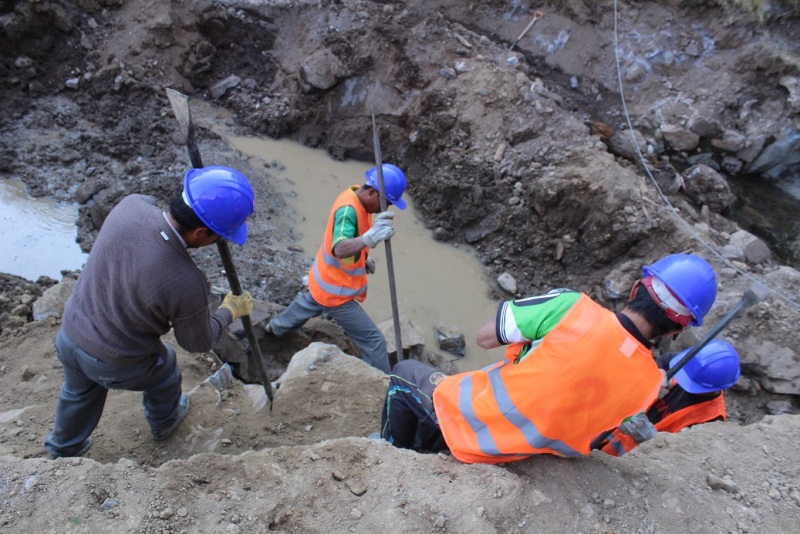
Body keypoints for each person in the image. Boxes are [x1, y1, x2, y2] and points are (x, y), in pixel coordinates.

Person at [379, 253, 718, 464]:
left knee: (405, 372)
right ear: (675, 331)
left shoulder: (571, 307)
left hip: (476, 424)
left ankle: (391, 455)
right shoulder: (649, 385)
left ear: (635, 289)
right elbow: (604, 438)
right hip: (525, 452)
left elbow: (485, 338)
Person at [44, 166, 257, 459]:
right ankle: (166, 423)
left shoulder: (130, 206)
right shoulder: (187, 280)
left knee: (78, 390)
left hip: (71, 333)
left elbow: (149, 210)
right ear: (200, 232)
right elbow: (197, 343)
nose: (220, 242)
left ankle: (62, 450)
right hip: (113, 361)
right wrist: (228, 311)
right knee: (166, 368)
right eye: (219, 236)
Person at [265, 164, 408, 374]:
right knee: (374, 341)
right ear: (372, 192)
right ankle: (383, 386)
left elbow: (347, 241)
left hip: (324, 278)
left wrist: (362, 259)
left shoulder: (355, 195)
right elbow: (340, 248)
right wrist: (369, 238)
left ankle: (274, 328)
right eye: (385, 202)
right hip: (337, 291)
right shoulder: (348, 211)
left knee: (310, 301)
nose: (384, 209)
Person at [597, 339, 740, 457]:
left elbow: (680, 458)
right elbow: (645, 367)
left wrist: (649, 437)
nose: (684, 380)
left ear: (714, 388)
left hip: (625, 462)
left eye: (691, 382)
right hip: (603, 429)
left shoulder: (711, 420)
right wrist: (649, 378)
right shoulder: (680, 364)